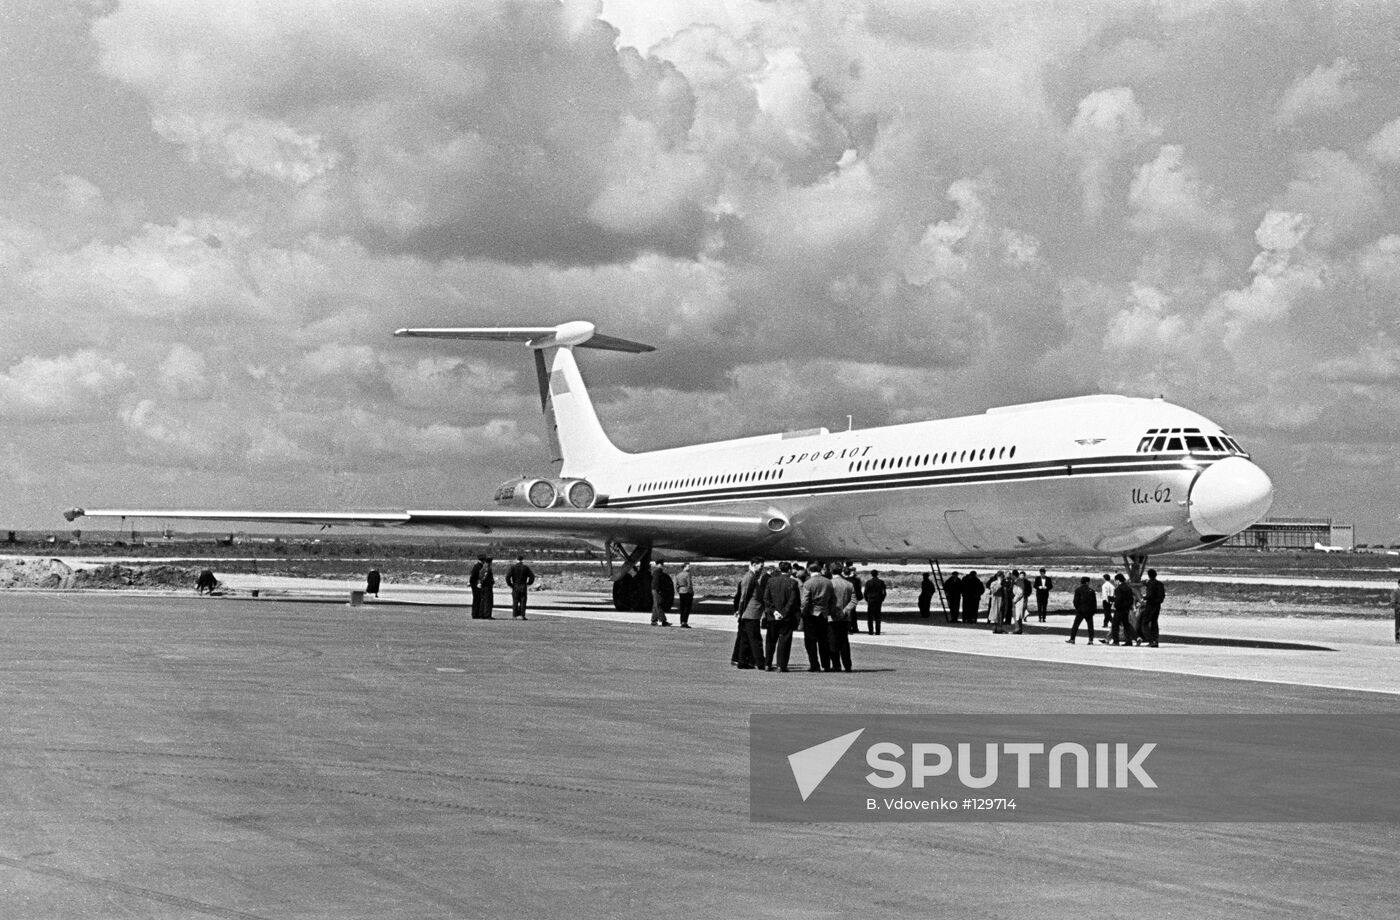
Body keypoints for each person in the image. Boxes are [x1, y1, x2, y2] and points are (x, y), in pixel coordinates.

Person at [762, 561, 800, 671]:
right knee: (784, 641)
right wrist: (784, 613)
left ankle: (767, 663)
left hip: (773, 616)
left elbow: (766, 598)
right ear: (789, 570)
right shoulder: (793, 583)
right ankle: (781, 665)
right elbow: (793, 601)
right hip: (786, 617)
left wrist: (774, 611)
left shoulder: (771, 581)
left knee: (770, 641)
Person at [799, 560, 836, 672]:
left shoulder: (808, 583)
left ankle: (814, 664)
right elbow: (833, 599)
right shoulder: (828, 582)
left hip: (811, 613)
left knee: (810, 641)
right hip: (823, 613)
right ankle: (826, 664)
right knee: (823, 640)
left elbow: (805, 601)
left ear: (809, 570)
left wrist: (802, 612)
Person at [733, 559, 767, 668]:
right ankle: (760, 662)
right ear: (754, 564)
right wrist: (740, 611)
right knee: (755, 639)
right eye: (760, 566)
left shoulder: (752, 576)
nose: (761, 568)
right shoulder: (749, 577)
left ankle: (742, 662)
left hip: (749, 613)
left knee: (745, 638)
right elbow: (744, 596)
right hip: (750, 613)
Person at [829, 565, 855, 671]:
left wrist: (833, 611)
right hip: (845, 617)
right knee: (844, 641)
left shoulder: (829, 584)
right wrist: (845, 611)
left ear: (831, 571)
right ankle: (847, 665)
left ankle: (836, 664)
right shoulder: (849, 584)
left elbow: (828, 600)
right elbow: (853, 601)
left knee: (832, 642)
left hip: (832, 617)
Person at [1067, 576, 1097, 644]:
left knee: (1075, 625)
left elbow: (1075, 601)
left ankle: (1072, 639)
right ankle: (1091, 640)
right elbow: (1094, 602)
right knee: (1090, 626)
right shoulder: (1091, 591)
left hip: (1080, 611)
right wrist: (1093, 611)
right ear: (1087, 582)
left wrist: (1078, 608)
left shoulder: (1078, 590)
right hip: (1089, 611)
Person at [1140, 568, 1165, 647]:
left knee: (1144, 623)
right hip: (1157, 605)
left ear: (1149, 575)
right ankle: (1155, 640)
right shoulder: (1160, 584)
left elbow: (1150, 595)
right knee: (1154, 622)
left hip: (1150, 605)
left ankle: (1151, 640)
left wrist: (1144, 598)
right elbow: (1162, 595)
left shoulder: (1150, 584)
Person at [1110, 574, 1136, 646]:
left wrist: (1115, 604)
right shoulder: (1128, 588)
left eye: (1115, 580)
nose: (1115, 582)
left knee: (1115, 625)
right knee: (1126, 625)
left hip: (1119, 609)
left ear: (1118, 580)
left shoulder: (1118, 589)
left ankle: (1116, 641)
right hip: (1126, 609)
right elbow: (1131, 599)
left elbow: (1118, 600)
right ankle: (1129, 641)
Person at [506, 555, 535, 619]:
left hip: (515, 585)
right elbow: (532, 576)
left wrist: (510, 584)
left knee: (515, 601)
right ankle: (522, 615)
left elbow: (507, 577)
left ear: (516, 559)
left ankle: (514, 615)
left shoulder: (513, 567)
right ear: (522, 560)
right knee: (523, 601)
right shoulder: (525, 568)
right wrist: (528, 583)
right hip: (523, 585)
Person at [864, 569, 887, 635]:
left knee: (870, 617)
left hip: (871, 600)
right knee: (878, 616)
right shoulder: (881, 582)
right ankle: (878, 631)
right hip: (878, 600)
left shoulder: (868, 582)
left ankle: (870, 631)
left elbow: (865, 593)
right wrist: (882, 599)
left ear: (871, 574)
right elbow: (884, 592)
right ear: (877, 574)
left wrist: (867, 599)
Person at [650, 560, 673, 627]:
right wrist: (659, 590)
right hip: (657, 590)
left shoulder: (657, 572)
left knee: (655, 605)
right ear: (658, 564)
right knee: (658, 604)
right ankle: (663, 620)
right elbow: (656, 582)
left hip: (655, 589)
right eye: (662, 564)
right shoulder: (657, 572)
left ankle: (653, 620)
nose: (662, 565)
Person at [675, 562, 694, 628]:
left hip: (681, 591)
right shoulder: (687, 574)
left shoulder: (678, 575)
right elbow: (689, 584)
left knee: (682, 607)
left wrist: (678, 591)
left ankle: (682, 621)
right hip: (687, 591)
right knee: (687, 607)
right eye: (688, 566)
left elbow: (676, 585)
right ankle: (685, 622)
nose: (689, 567)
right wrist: (691, 592)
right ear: (684, 567)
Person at [1392, 579, 1400, 643]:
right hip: (1398, 610)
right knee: (1398, 624)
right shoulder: (1395, 591)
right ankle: (1397, 638)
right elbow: (1393, 602)